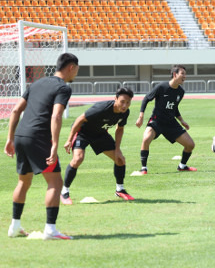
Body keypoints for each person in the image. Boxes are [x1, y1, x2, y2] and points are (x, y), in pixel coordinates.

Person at [5, 53, 79, 240]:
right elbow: (56, 116)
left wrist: (10, 138)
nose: (76, 73)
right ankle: (50, 230)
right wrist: (54, 144)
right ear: (71, 67)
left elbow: (15, 110)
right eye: (77, 69)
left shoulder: (37, 83)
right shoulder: (63, 88)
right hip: (39, 137)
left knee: (24, 181)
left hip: (21, 135)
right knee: (55, 182)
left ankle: (14, 226)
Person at [61, 88, 135, 205]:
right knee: (78, 159)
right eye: (122, 101)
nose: (125, 105)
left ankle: (120, 189)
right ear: (115, 98)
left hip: (100, 134)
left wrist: (117, 149)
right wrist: (69, 140)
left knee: (120, 159)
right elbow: (80, 119)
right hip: (82, 133)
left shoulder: (125, 112)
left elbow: (120, 129)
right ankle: (64, 192)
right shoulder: (102, 108)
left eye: (128, 102)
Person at [135, 65, 196, 174]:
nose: (185, 76)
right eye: (182, 73)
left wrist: (182, 121)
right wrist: (141, 117)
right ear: (174, 74)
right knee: (146, 139)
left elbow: (174, 107)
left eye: (185, 74)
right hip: (157, 121)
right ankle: (144, 168)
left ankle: (182, 166)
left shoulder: (180, 92)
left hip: (171, 123)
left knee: (190, 145)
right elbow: (146, 99)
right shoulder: (161, 87)